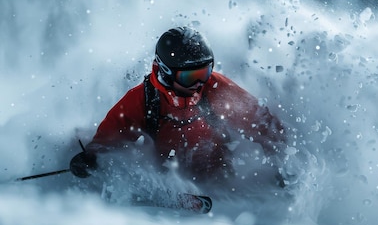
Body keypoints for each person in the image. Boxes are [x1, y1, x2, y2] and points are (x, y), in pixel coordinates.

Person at [70, 26, 288, 186]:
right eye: (189, 77)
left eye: (204, 72)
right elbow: (112, 133)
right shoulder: (143, 99)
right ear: (165, 71)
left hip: (221, 180)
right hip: (168, 180)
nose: (198, 84)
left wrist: (283, 160)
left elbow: (259, 121)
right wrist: (91, 157)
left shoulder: (215, 88)